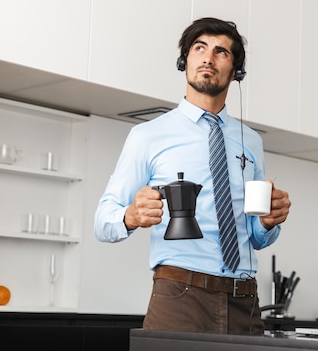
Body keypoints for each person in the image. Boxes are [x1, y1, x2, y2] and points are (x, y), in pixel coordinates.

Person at [94, 17, 291, 335]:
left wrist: (268, 222)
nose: (208, 58)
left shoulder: (251, 141)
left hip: (245, 300)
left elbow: (254, 236)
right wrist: (130, 215)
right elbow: (102, 221)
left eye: (221, 52)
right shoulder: (148, 136)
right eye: (199, 48)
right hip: (180, 295)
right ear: (184, 60)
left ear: (236, 71)